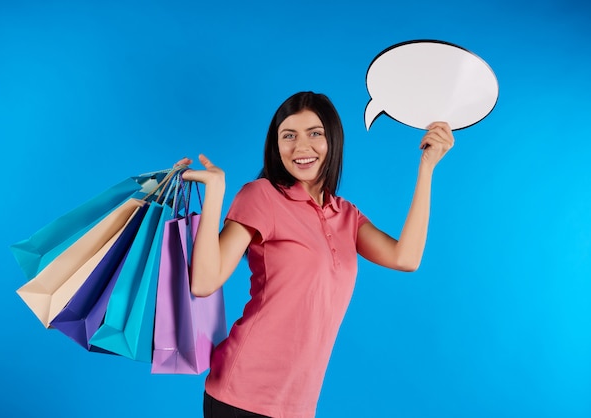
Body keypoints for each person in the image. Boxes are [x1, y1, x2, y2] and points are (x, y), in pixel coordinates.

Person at [179, 91, 454, 418]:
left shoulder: (346, 215)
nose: (301, 147)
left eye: (315, 134)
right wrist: (216, 195)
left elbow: (405, 257)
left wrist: (427, 167)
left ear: (333, 140)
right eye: (289, 136)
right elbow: (204, 282)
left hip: (298, 404)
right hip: (241, 394)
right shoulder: (262, 196)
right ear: (276, 145)